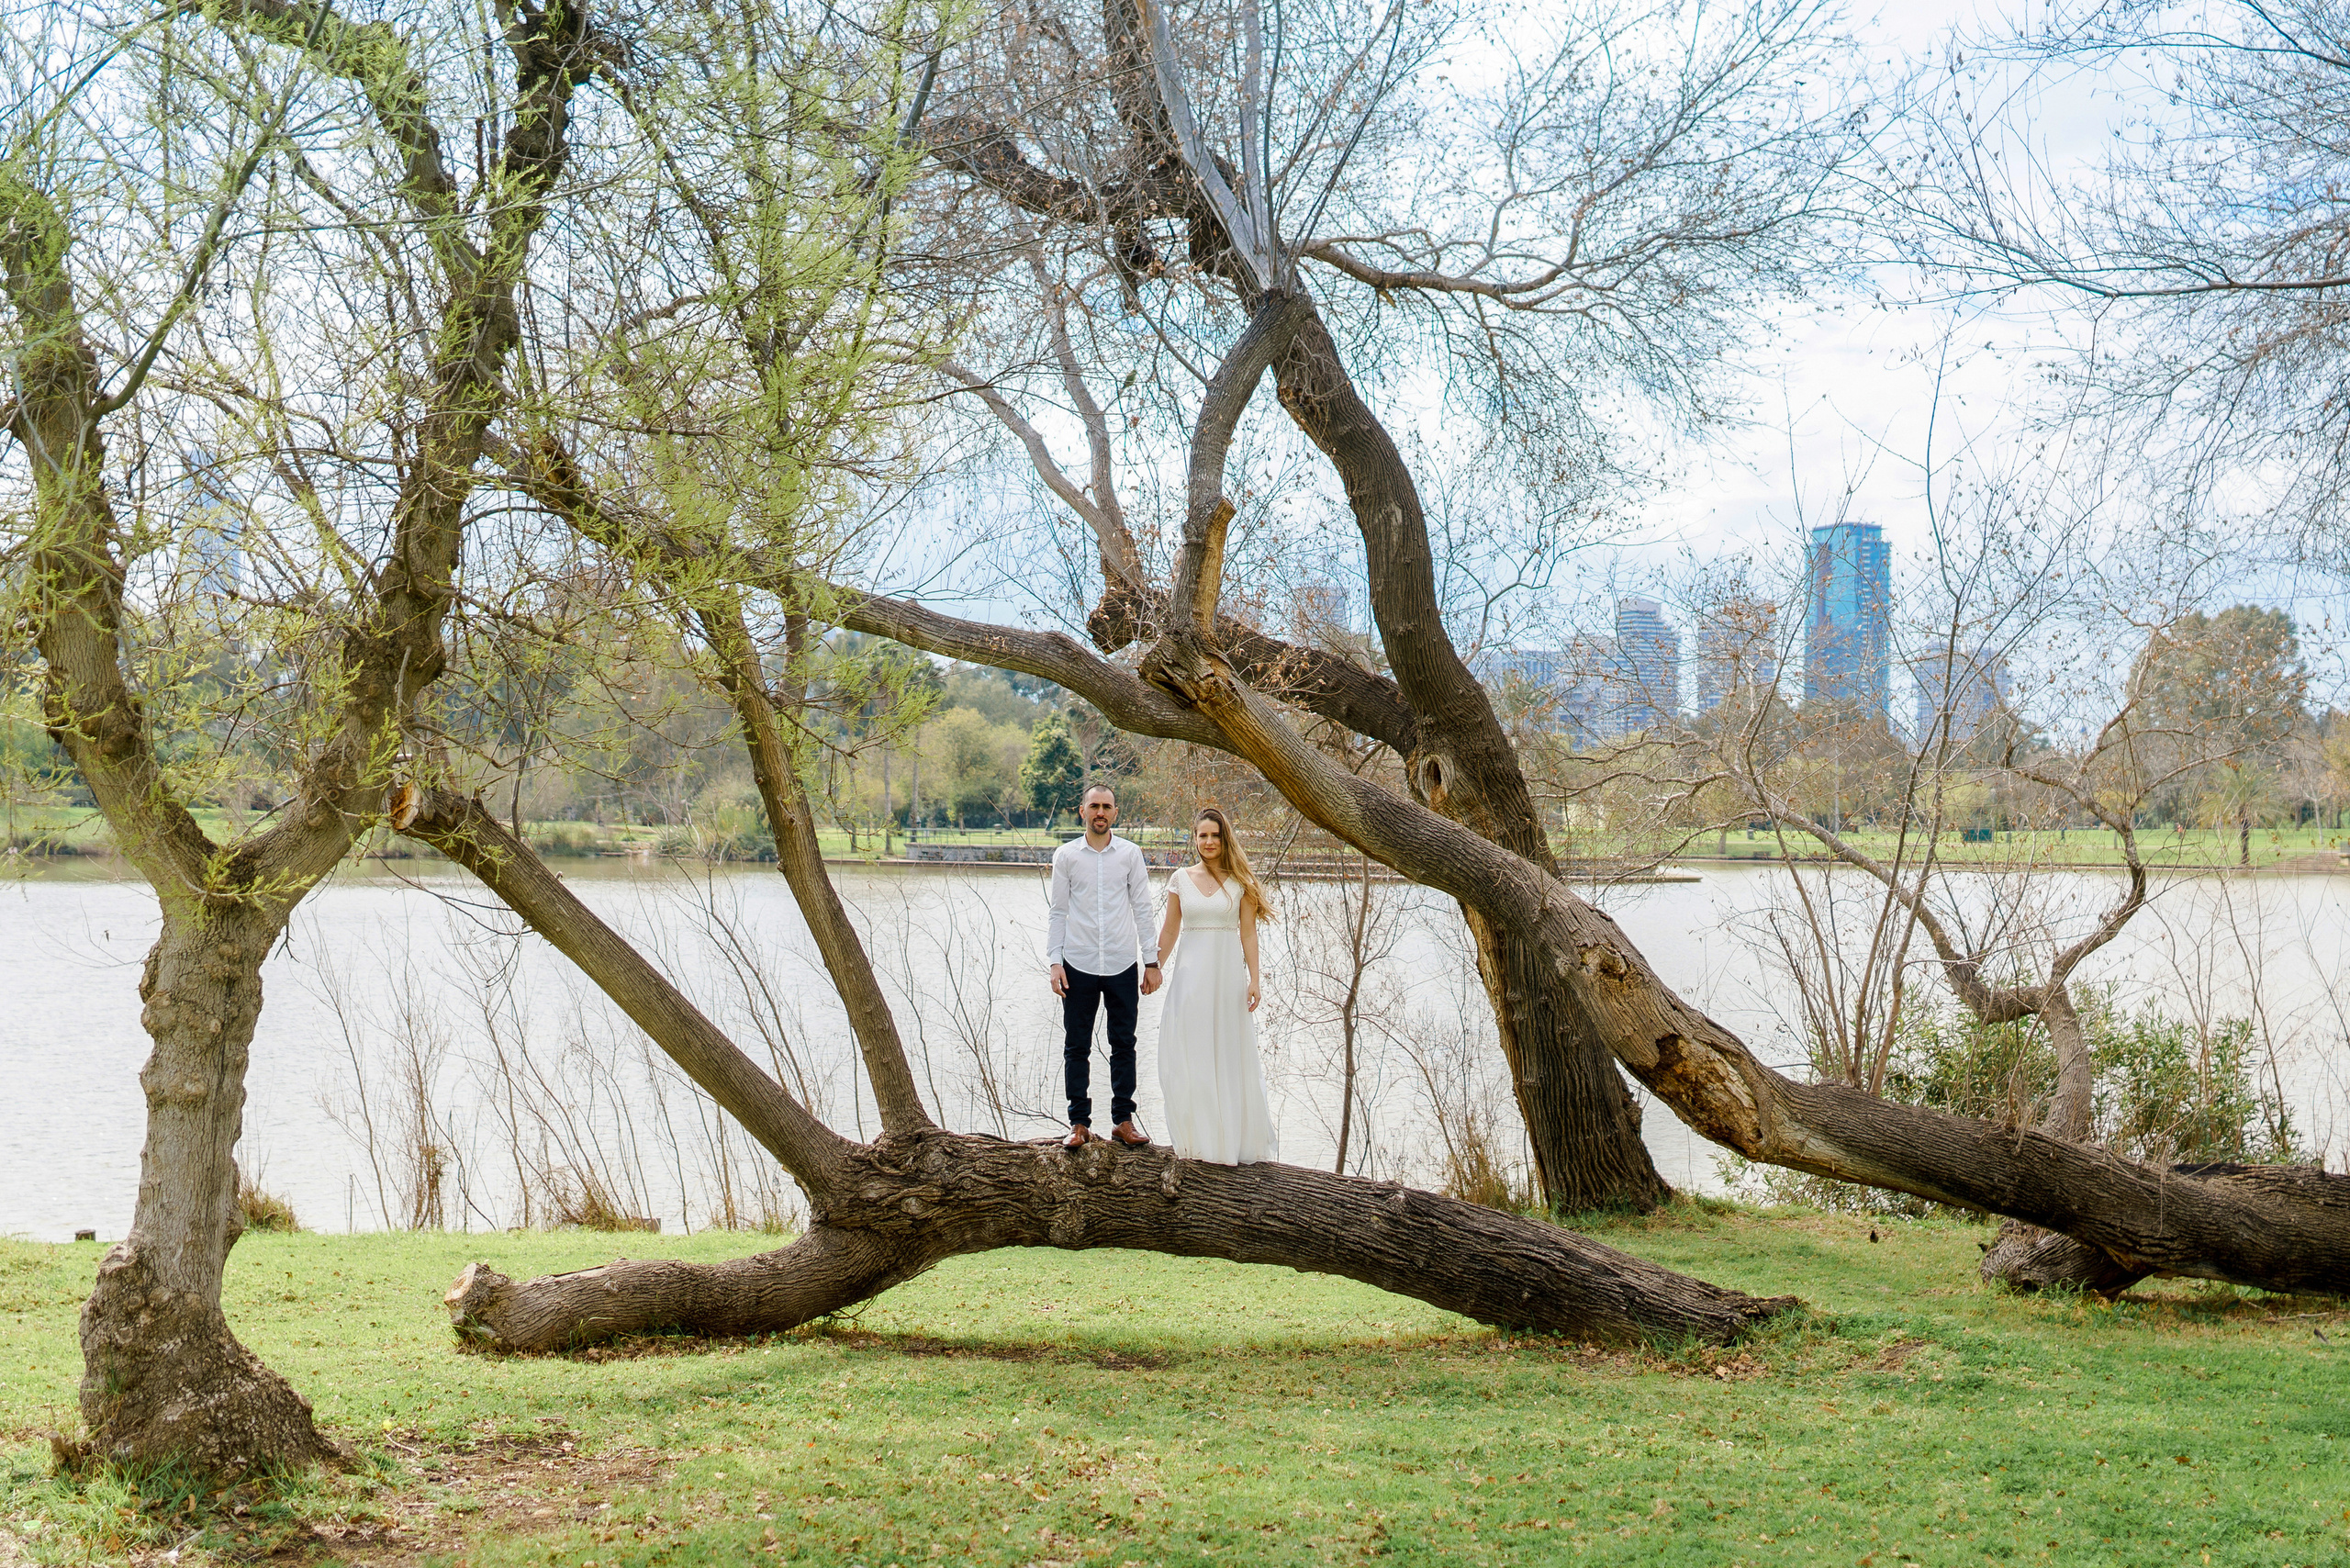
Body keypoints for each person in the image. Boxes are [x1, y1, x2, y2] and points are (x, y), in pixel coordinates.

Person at [1152, 806, 1278, 1164]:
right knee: (1192, 1057)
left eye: (1215, 835)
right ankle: (1199, 1141)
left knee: (1226, 1054)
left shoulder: (1242, 883)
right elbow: (1170, 930)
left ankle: (1230, 1143)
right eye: (1202, 835)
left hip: (1226, 985)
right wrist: (1152, 968)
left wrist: (1254, 979)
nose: (1208, 842)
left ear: (1225, 839)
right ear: (1195, 839)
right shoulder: (1180, 879)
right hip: (1190, 983)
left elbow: (1249, 933)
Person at [1046, 783, 1160, 1149]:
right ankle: (1078, 1123)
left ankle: (1123, 1121)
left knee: (1123, 1043)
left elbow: (1142, 908)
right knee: (1076, 1045)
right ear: (1082, 811)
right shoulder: (1065, 856)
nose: (1100, 812)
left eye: (1106, 806)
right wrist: (1054, 962)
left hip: (1121, 962)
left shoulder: (1130, 854)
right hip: (1076, 962)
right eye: (1093, 805)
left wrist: (1152, 961)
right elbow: (1058, 911)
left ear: (1115, 812)